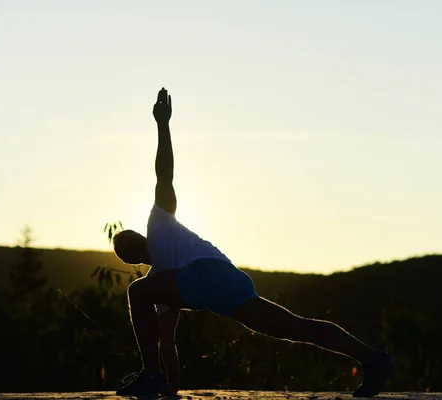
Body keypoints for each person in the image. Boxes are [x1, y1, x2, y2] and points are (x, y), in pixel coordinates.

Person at [113, 88, 393, 398]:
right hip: (231, 284)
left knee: (136, 292)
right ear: (131, 260)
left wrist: (162, 125)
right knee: (297, 329)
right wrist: (172, 392)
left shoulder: (161, 226)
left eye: (126, 244)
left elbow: (164, 175)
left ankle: (150, 376)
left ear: (140, 240)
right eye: (124, 252)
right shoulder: (162, 285)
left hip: (208, 275)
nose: (128, 250)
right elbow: (166, 341)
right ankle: (373, 359)